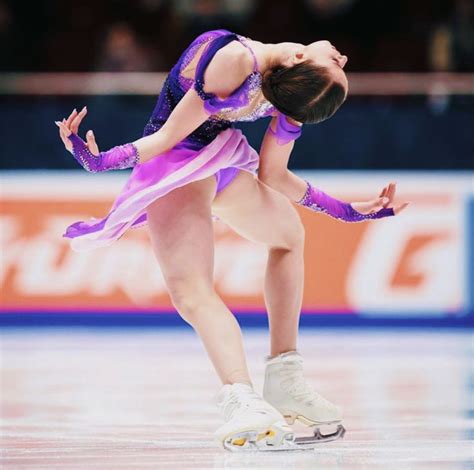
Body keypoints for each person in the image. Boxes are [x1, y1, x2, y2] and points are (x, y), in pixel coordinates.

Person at [55, 29, 409, 451]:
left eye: (336, 65)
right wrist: (99, 162)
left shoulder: (282, 89)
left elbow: (272, 175)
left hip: (210, 158)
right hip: (178, 169)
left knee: (287, 237)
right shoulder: (240, 61)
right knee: (193, 292)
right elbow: (170, 136)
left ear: (299, 58)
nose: (344, 57)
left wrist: (348, 211)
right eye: (339, 65)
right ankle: (241, 396)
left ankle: (282, 378)